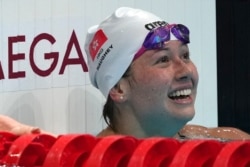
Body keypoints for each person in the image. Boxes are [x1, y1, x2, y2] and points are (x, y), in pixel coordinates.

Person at [0, 7, 249, 140]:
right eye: (163, 60)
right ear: (118, 88)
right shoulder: (96, 160)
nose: (186, 71)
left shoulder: (225, 144)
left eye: (185, 55)